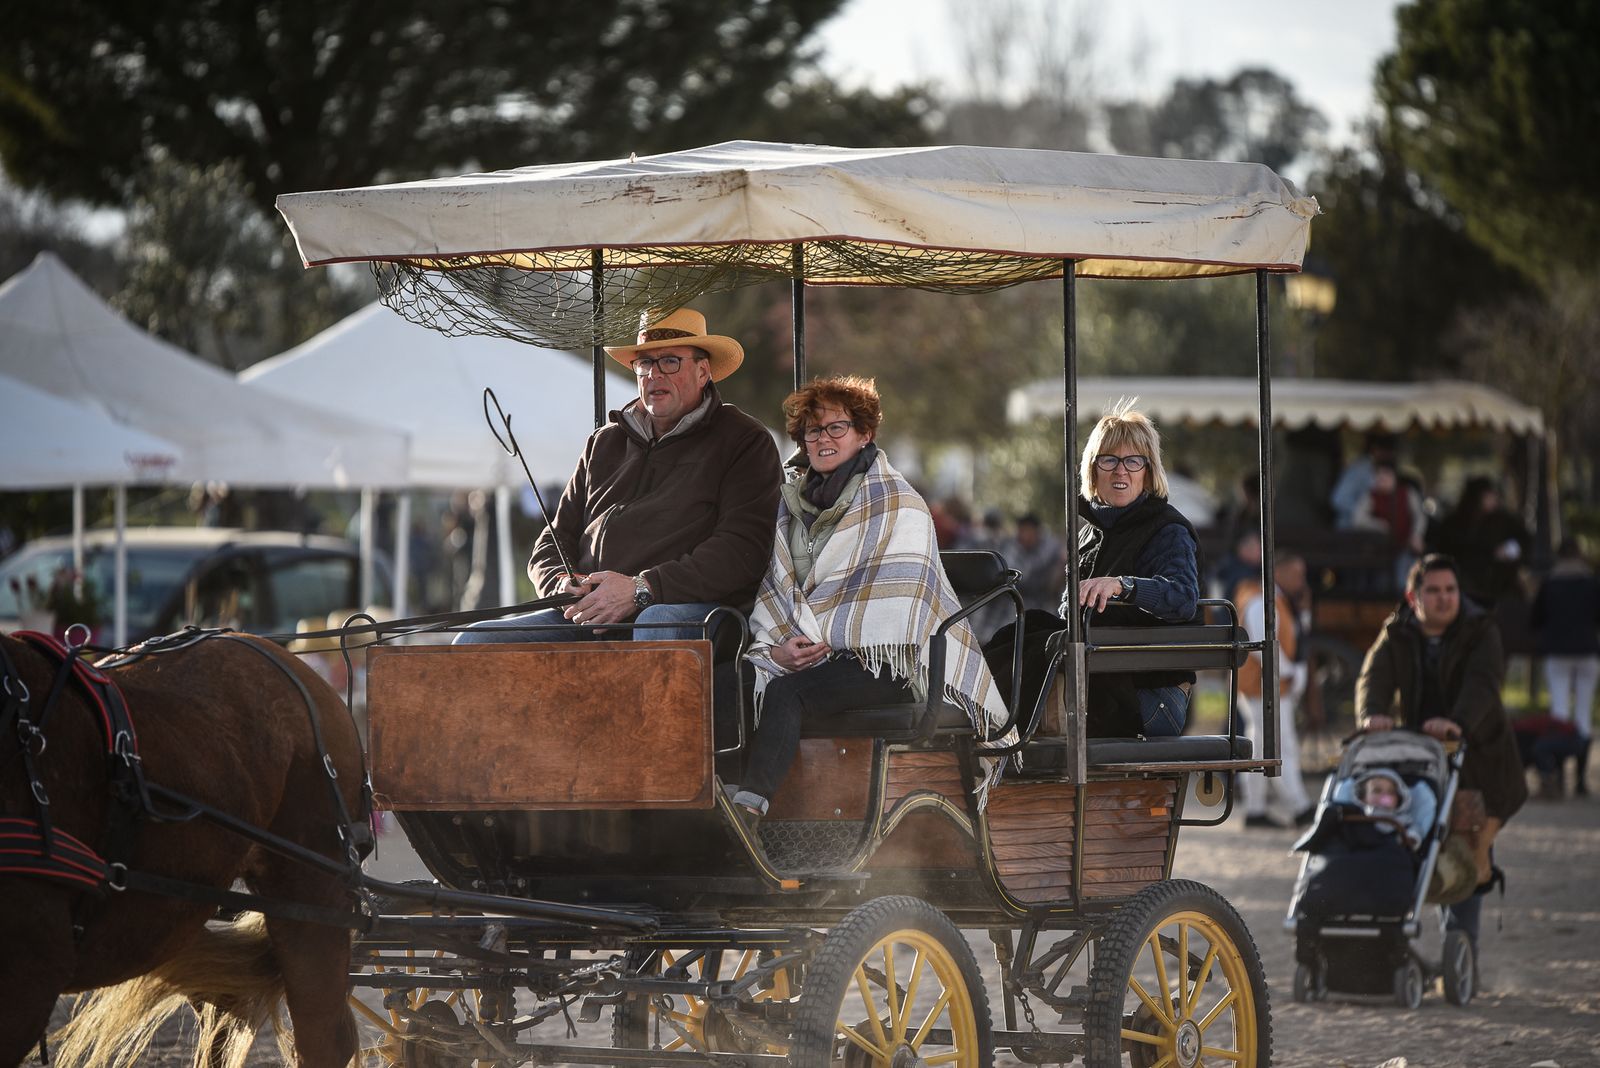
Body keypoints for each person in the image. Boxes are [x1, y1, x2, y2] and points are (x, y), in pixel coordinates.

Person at [718, 376, 1009, 823]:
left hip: (886, 660)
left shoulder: (898, 503)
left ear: (864, 434)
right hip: (805, 651)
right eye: (813, 431)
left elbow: (905, 600)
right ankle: (714, 800)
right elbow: (779, 589)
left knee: (785, 692)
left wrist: (832, 638)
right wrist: (778, 647)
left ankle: (749, 811)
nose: (823, 439)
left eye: (837, 428)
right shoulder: (787, 505)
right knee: (726, 681)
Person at [454, 308, 781, 644]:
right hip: (589, 612)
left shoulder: (744, 440)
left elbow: (743, 549)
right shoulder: (604, 442)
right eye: (645, 363)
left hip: (689, 610)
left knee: (656, 622)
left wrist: (643, 588)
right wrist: (563, 583)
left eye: (670, 361)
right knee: (473, 641)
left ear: (703, 371)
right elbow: (555, 538)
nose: (654, 374)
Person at [984, 401, 1200, 739]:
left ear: (1148, 470)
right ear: (1093, 469)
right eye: (1109, 460)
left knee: (1041, 650)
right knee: (1017, 636)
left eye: (1133, 461)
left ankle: (1003, 733)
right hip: (1099, 675)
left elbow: (1183, 597)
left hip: (1150, 693)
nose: (1121, 471)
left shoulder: (1168, 530)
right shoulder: (1088, 533)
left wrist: (1123, 585)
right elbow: (1070, 609)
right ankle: (979, 723)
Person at [1356, 553, 1528, 952]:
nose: (1444, 598)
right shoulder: (1397, 631)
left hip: (1482, 760)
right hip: (1421, 759)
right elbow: (1373, 675)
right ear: (1413, 596)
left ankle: (1461, 945)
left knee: (1467, 848)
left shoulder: (1480, 629)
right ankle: (1399, 944)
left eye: (1450, 590)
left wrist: (1458, 722)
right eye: (1433, 591)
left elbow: (1484, 682)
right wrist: (1373, 715)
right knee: (1413, 840)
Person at [1237, 553, 1315, 829]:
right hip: (1263, 687)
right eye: (1296, 573)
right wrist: (1293, 672)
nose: (1301, 580)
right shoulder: (1262, 601)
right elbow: (1263, 647)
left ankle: (1255, 809)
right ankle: (1299, 806)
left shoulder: (1280, 601)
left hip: (1268, 686)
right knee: (1281, 746)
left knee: (1260, 746)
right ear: (1278, 573)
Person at [1530, 537, 1598, 796]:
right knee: (1582, 714)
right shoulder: (1591, 583)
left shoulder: (1550, 583)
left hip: (1557, 652)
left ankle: (1555, 775)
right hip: (1586, 650)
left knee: (1559, 714)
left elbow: (1536, 618)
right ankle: (1580, 780)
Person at [1427, 476, 1531, 609]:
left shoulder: (1504, 520)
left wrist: (1510, 550)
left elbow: (1523, 540)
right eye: (1488, 495)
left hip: (1502, 584)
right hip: (1467, 585)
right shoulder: (1455, 523)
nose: (1493, 499)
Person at [1350, 462, 1426, 592]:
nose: (1382, 480)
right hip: (1380, 552)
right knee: (1382, 584)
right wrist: (1378, 525)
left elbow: (1419, 517)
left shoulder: (1407, 494)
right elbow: (1358, 520)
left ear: (1394, 478)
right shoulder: (1371, 496)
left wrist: (1416, 535)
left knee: (1405, 581)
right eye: (1379, 476)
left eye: (1386, 476)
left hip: (1405, 546)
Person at [1351, 768, 1437, 849]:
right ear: (1363, 798)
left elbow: (1415, 832)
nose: (1384, 796)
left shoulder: (1405, 820)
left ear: (1399, 799)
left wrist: (1410, 839)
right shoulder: (1355, 815)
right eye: (1377, 791)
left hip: (1389, 854)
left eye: (1391, 792)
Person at [1007, 514, 1066, 614]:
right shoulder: (1012, 549)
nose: (1023, 535)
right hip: (1019, 608)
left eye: (1027, 531)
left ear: (1036, 531)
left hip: (1048, 607)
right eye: (1021, 531)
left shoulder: (1051, 549)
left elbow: (1053, 582)